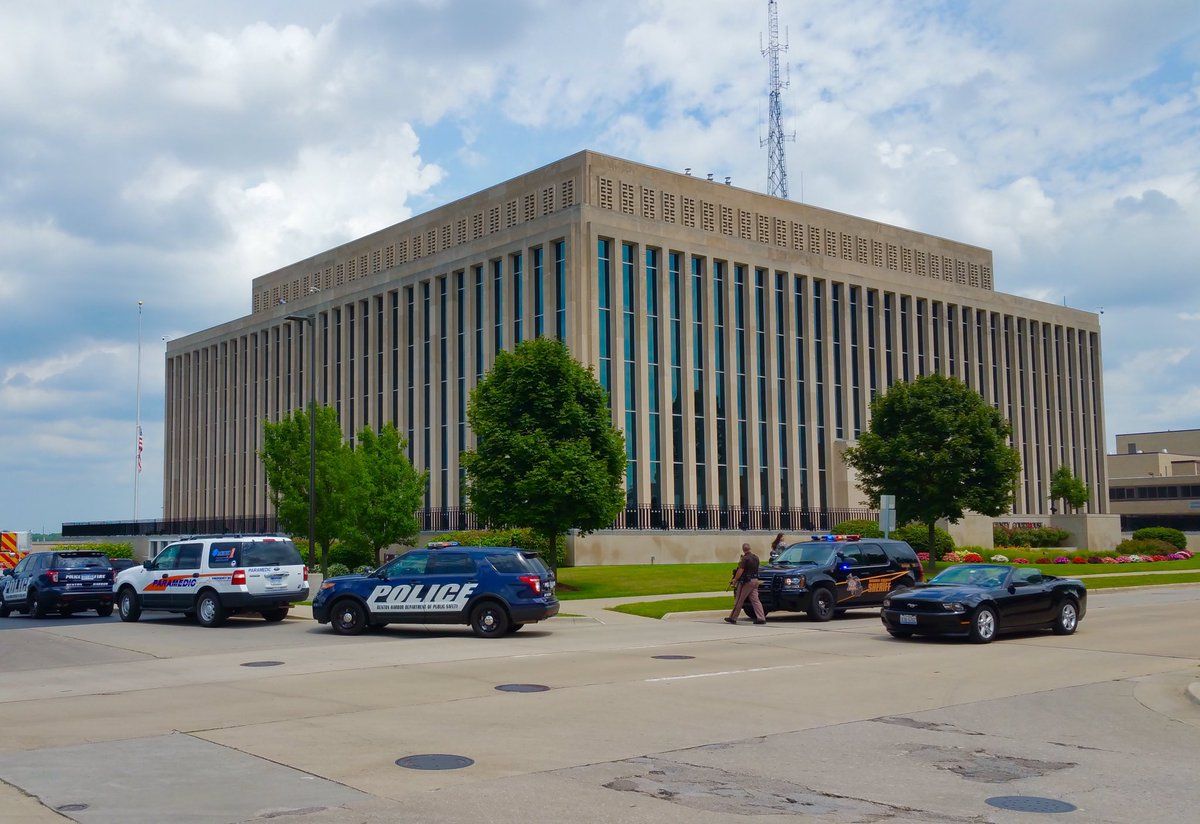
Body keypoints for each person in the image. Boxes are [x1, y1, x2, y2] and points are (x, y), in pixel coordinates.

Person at [725, 543, 766, 625]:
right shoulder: (756, 558)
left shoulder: (745, 558)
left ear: (743, 549)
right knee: (755, 600)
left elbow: (740, 570)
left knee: (739, 599)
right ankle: (761, 618)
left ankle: (733, 617)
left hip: (747, 581)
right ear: (750, 548)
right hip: (755, 580)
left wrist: (735, 579)